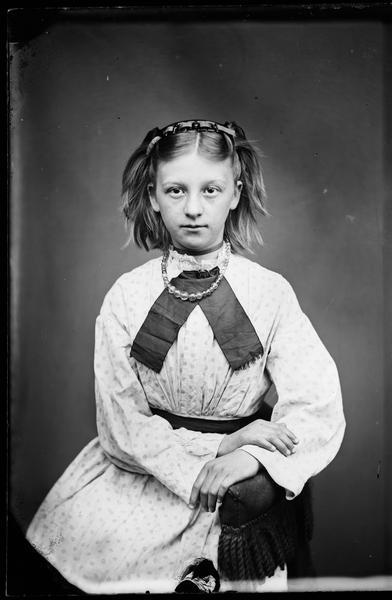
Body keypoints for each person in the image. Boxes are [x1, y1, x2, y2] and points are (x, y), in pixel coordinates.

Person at [25, 119, 346, 594]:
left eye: (210, 190)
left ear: (235, 193)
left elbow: (316, 404)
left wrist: (252, 457)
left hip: (234, 494)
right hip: (144, 480)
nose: (193, 208)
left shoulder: (270, 294)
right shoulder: (125, 297)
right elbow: (122, 426)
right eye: (175, 190)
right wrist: (220, 447)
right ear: (153, 195)